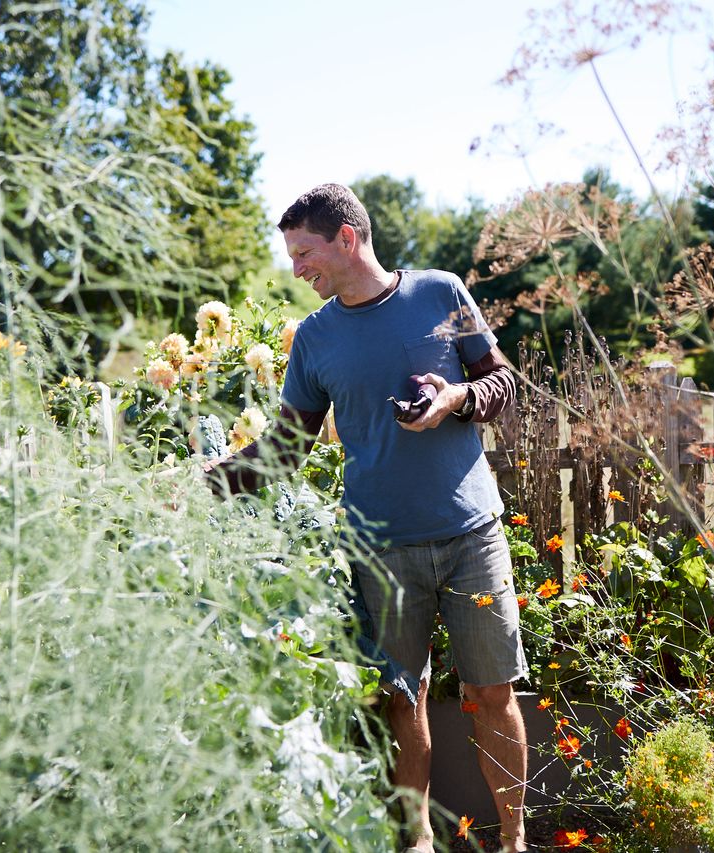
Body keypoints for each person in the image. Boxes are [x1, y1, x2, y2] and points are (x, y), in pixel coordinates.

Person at [204, 183, 528, 853]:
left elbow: (502, 382)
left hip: (472, 535)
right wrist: (209, 481)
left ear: (346, 240)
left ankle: (515, 840)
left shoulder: (443, 295)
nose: (295, 268)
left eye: (303, 252)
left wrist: (456, 398)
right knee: (402, 699)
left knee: (491, 690)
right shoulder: (316, 338)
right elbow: (287, 448)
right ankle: (415, 843)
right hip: (380, 548)